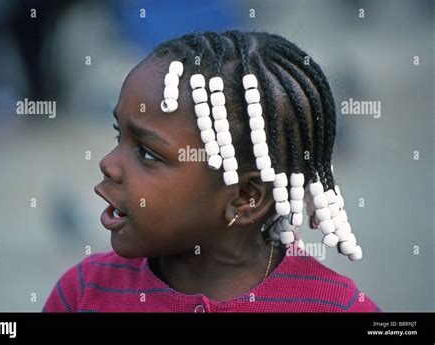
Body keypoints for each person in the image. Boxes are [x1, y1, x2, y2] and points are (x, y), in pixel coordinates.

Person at [43, 30, 380, 312]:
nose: (109, 163)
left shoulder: (337, 307)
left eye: (147, 153)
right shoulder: (85, 292)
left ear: (245, 197)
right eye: (120, 136)